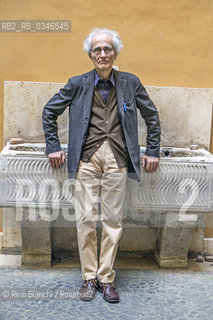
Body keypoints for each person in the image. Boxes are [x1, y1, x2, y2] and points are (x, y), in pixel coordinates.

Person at [42, 27, 161, 303]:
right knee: (84, 219)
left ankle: (106, 278)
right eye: (97, 50)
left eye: (107, 49)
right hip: (86, 158)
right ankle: (88, 277)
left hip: (117, 159)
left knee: (112, 222)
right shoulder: (77, 83)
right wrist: (53, 146)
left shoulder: (130, 82)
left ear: (115, 53)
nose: (103, 54)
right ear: (90, 54)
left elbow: (151, 116)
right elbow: (50, 111)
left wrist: (152, 150)